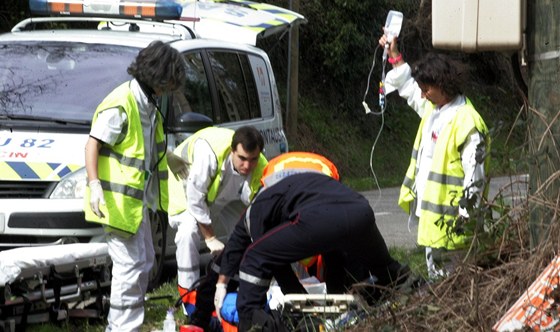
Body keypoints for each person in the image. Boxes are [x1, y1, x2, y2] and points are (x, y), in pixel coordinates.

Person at [214, 152, 409, 331]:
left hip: (318, 215)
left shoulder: (256, 212)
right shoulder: (293, 182)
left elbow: (266, 261)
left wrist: (221, 286)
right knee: (389, 273)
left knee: (255, 256)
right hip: (360, 210)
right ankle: (413, 297)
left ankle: (251, 326)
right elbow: (333, 255)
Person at [84, 41, 185, 331]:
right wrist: (94, 185)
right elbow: (92, 145)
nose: (170, 88)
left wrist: (172, 158)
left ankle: (129, 323)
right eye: (170, 81)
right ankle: (121, 327)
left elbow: (145, 150)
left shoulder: (147, 102)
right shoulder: (122, 104)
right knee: (129, 267)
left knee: (145, 261)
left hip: (135, 205)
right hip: (114, 204)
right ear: (159, 75)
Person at [378, 31, 489, 278]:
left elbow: (475, 179)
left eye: (426, 88)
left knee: (454, 290)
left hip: (454, 228)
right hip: (434, 223)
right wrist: (394, 55)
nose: (423, 94)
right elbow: (408, 88)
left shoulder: (467, 122)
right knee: (439, 288)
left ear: (443, 84)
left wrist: (464, 219)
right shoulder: (435, 110)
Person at [166, 125, 268, 317]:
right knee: (188, 233)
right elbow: (196, 199)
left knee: (249, 232)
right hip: (185, 179)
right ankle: (189, 299)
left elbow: (258, 209)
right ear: (232, 152)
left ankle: (238, 286)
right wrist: (210, 238)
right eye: (242, 159)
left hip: (221, 192)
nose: (247, 166)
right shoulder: (209, 155)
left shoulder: (261, 165)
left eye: (253, 159)